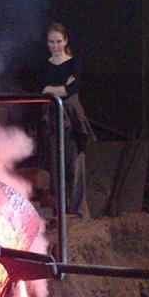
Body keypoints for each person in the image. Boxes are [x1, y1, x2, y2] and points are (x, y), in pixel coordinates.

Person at [37, 22, 95, 218]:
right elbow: (42, 89)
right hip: (52, 117)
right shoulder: (44, 65)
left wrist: (52, 89)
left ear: (65, 41)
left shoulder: (74, 63)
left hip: (72, 117)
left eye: (59, 41)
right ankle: (59, 208)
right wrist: (59, 89)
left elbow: (71, 89)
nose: (55, 45)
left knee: (76, 162)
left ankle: (78, 209)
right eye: (52, 42)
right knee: (55, 162)